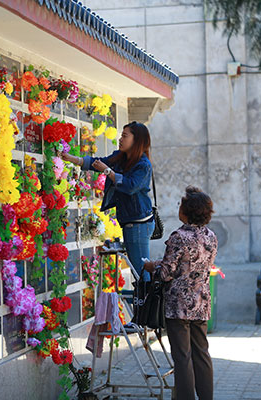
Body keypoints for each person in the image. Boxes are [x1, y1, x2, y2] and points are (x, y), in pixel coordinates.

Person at [144, 186, 218, 400]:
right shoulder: (211, 236)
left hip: (178, 306)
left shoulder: (179, 236)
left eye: (181, 205)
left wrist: (151, 266)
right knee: (202, 354)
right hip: (201, 303)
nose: (179, 207)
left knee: (183, 357)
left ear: (188, 211)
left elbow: (166, 273)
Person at [62, 121, 155, 281]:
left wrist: (107, 171)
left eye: (125, 136)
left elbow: (130, 186)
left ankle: (148, 303)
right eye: (121, 136)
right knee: (138, 271)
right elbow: (97, 162)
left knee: (141, 272)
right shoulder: (121, 158)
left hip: (139, 224)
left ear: (137, 140)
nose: (120, 139)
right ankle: (144, 301)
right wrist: (72, 159)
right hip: (130, 222)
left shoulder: (143, 165)